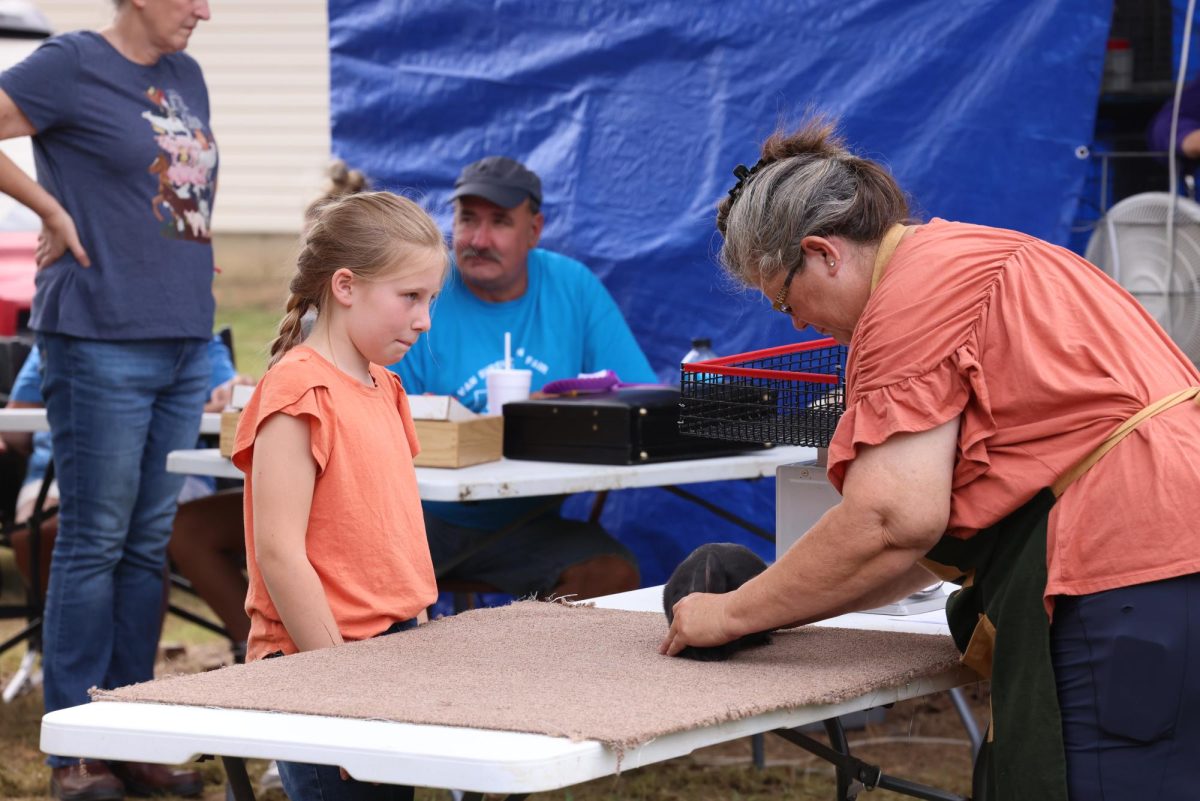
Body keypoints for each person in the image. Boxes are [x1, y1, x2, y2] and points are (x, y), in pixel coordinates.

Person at [661, 117, 1200, 800]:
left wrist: (734, 613)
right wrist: (784, 598)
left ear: (823, 253)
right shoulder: (984, 254)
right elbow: (911, 537)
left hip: (1121, 573)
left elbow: (892, 521)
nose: (796, 322)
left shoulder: (907, 301)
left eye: (786, 299)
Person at [0, 2, 217, 798]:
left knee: (143, 541)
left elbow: (172, 193)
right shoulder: (71, 63)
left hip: (185, 339)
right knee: (93, 539)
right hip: (98, 334)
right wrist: (50, 209)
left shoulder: (185, 74)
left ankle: (132, 737)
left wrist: (186, 259)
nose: (204, 8)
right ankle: (77, 755)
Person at [232, 191, 447, 801]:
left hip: (391, 654)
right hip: (320, 663)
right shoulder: (297, 394)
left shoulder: (387, 386)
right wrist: (340, 687)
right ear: (346, 286)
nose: (424, 318)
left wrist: (418, 627)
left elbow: (395, 534)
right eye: (410, 297)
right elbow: (279, 555)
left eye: (430, 299)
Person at [391, 156, 654, 601]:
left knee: (609, 574)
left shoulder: (571, 286)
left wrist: (550, 410)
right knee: (349, 576)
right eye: (467, 219)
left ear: (534, 230)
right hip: (417, 519)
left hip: (527, 522)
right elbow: (383, 415)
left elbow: (638, 399)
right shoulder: (424, 286)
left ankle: (526, 670)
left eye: (499, 222)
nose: (478, 239)